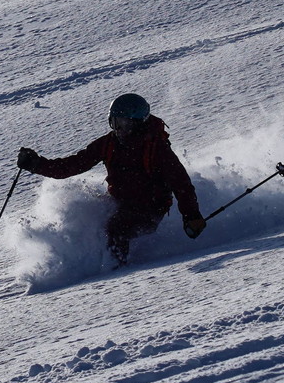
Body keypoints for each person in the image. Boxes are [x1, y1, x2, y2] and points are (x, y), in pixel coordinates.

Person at [17, 93, 205, 265]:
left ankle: (117, 268)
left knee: (117, 228)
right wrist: (37, 164)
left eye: (123, 124)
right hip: (120, 202)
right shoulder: (109, 143)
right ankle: (81, 263)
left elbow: (181, 184)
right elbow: (72, 165)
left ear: (138, 122)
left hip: (151, 208)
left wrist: (191, 216)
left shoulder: (157, 148)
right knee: (92, 220)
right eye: (114, 123)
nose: (119, 129)